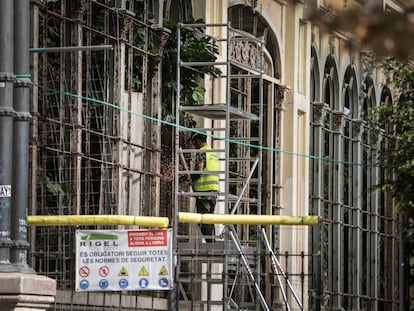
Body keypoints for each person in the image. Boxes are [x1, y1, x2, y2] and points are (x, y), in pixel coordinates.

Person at [190, 131, 220, 243]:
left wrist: (189, 177)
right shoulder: (213, 153)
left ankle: (211, 243)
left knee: (203, 219)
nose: (194, 145)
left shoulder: (202, 153)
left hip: (203, 192)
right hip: (213, 191)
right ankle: (212, 242)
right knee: (209, 219)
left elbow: (199, 171)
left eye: (194, 142)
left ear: (198, 140)